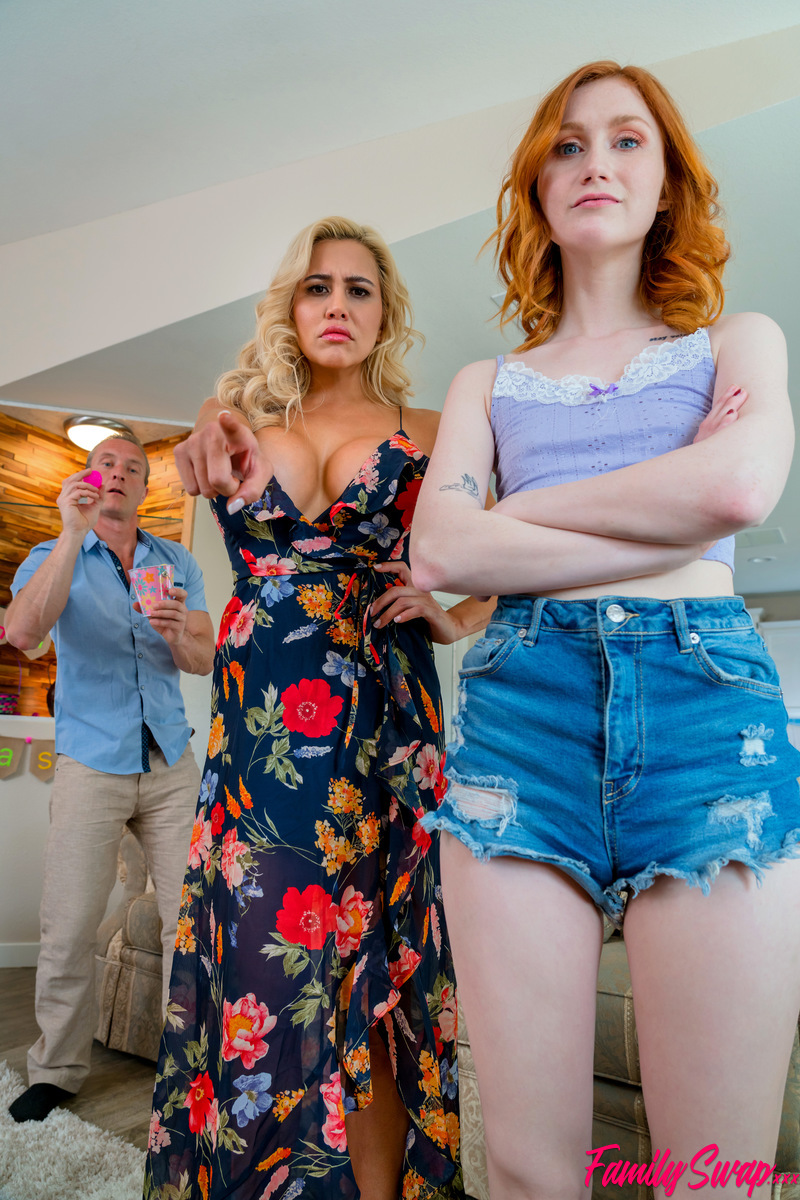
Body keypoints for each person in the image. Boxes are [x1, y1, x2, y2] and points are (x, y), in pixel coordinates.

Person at [411, 61, 800, 1200]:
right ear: (538, 186)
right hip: (520, 718)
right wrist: (668, 518)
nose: (596, 163)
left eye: (628, 140)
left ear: (667, 180)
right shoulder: (484, 382)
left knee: (713, 1175)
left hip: (705, 712)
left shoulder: (736, 343)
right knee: (529, 1168)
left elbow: (738, 490)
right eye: (568, 145)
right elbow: (441, 557)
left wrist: (515, 516)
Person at [143, 216, 492, 1200]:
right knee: (264, 968)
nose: (337, 305)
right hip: (259, 741)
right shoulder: (237, 420)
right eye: (317, 287)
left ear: (386, 314)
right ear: (290, 308)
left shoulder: (433, 429)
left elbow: (519, 544)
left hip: (386, 724)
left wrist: (456, 616)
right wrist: (205, 424)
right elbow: (205, 442)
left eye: (358, 289)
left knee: (379, 978)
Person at [5, 431, 215, 1123]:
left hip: (171, 762)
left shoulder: (176, 561)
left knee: (193, 922)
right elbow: (22, 634)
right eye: (105, 465)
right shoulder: (50, 554)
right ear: (88, 480)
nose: (118, 474)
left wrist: (178, 633)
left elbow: (203, 659)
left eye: (133, 468)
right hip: (91, 761)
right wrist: (71, 533)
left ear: (146, 488)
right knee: (69, 924)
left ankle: (190, 1066)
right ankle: (56, 1071)